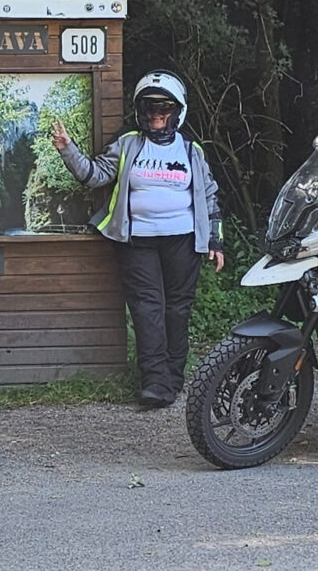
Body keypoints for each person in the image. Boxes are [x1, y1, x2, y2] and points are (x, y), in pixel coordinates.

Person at [50, 70, 223, 406]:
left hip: (183, 241)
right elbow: (95, 175)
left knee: (177, 310)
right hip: (137, 240)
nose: (157, 115)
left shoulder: (191, 150)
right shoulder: (128, 143)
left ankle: (174, 377)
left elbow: (210, 196)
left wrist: (215, 241)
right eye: (151, 109)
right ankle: (156, 383)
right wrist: (67, 149)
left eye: (164, 109)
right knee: (147, 310)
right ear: (141, 111)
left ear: (177, 111)